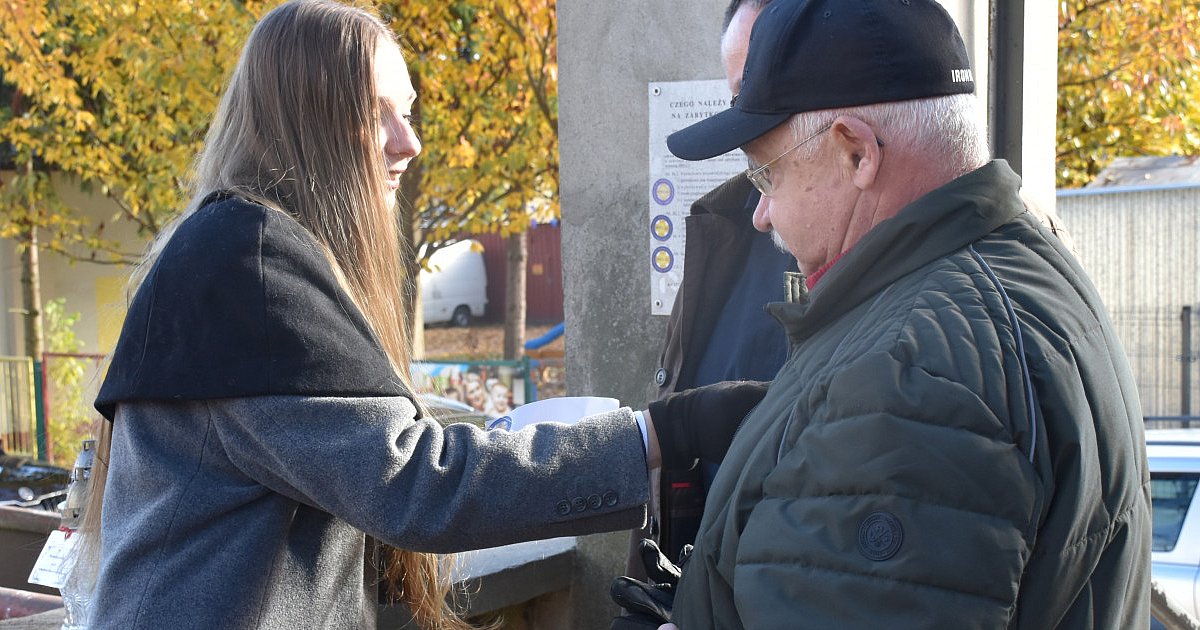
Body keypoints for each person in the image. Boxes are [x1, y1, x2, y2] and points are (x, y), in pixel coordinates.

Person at [78, 2, 766, 628]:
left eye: (406, 111)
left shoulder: (235, 249)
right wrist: (658, 433)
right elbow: (417, 484)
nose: (408, 142)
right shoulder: (250, 265)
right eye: (376, 111)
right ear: (307, 117)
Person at [624, 0, 1152, 627]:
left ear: (856, 153)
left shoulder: (905, 377)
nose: (762, 214)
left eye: (766, 175)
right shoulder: (1027, 263)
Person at [643, 0, 792, 564]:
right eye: (738, 94)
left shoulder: (940, 286)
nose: (746, 120)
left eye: (767, 88)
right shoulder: (726, 220)